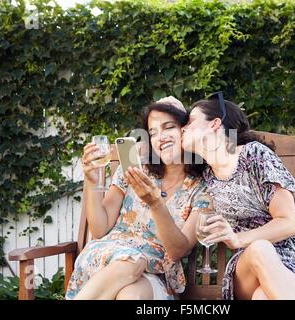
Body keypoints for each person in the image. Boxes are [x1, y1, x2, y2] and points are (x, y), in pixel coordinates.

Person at [180, 95, 295, 300]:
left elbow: (288, 224)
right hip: (248, 266)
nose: (183, 128)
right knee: (260, 249)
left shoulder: (255, 156)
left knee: (262, 297)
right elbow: (162, 143)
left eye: (190, 122)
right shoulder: (208, 177)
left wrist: (237, 239)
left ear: (215, 124)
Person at [65, 97, 206, 300]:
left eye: (168, 127)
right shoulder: (135, 169)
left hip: (155, 274)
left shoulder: (201, 188)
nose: (161, 137)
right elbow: (99, 228)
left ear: (185, 131)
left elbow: (177, 251)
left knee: (132, 294)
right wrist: (91, 181)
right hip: (106, 259)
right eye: (153, 132)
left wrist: (155, 203)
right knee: (132, 262)